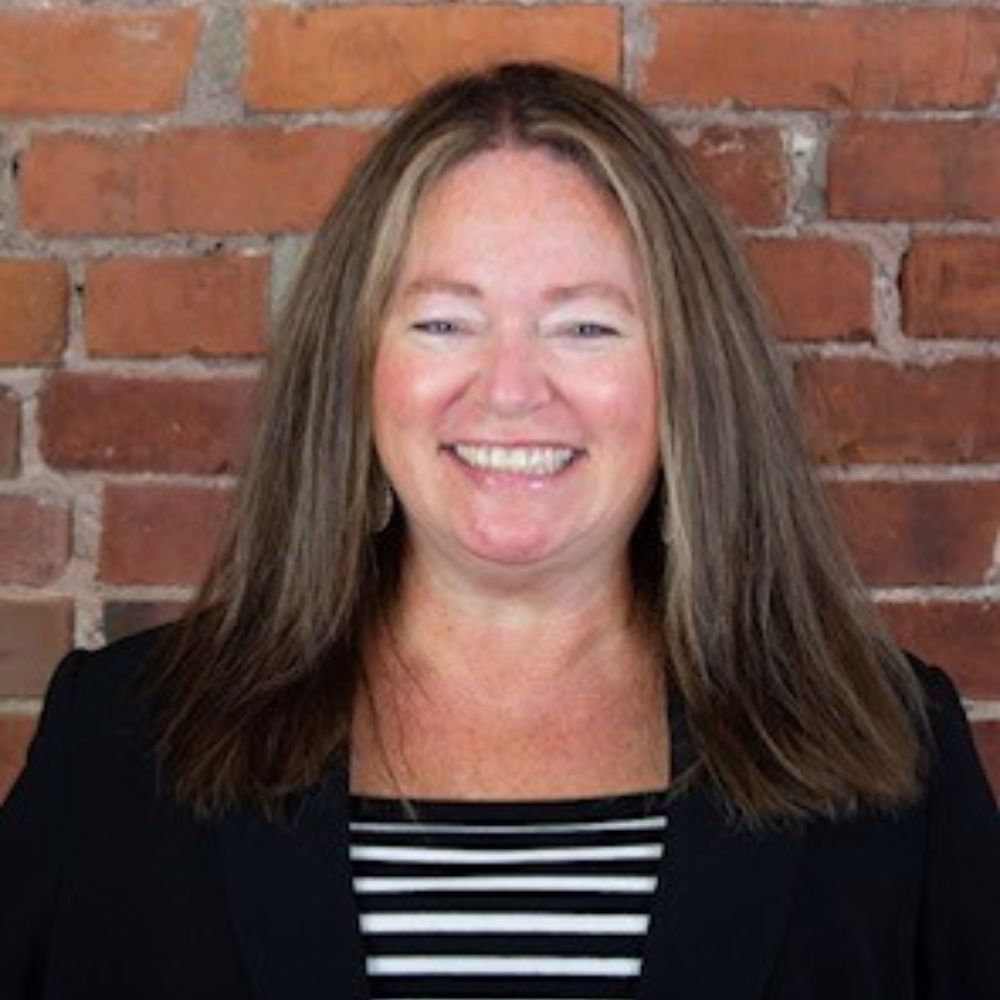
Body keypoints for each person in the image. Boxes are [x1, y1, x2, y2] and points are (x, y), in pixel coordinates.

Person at [1, 62, 997, 1000]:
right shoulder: (119, 743)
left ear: (687, 378)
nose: (511, 390)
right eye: (443, 321)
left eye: (585, 326)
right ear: (355, 370)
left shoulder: (889, 753)